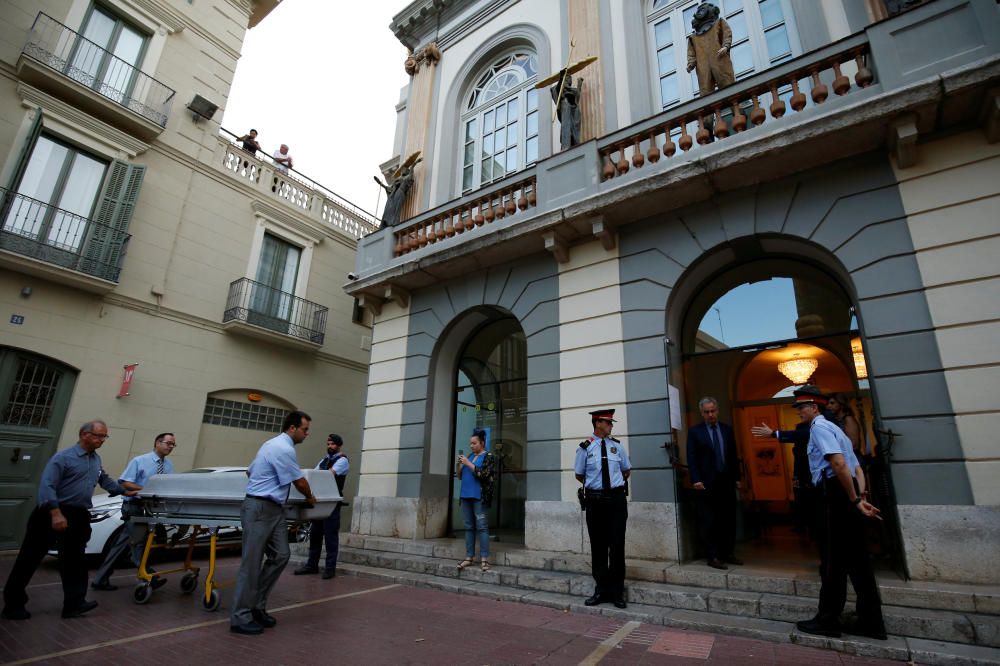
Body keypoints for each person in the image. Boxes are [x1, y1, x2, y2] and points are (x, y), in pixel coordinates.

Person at [2, 420, 134, 621]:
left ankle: (74, 604)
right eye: (99, 436)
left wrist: (127, 491)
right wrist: (56, 513)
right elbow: (47, 486)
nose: (102, 440)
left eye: (104, 436)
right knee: (30, 558)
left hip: (77, 516)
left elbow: (104, 480)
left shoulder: (94, 459)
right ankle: (13, 605)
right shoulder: (63, 458)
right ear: (84, 435)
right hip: (51, 512)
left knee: (75, 561)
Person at [791, 386, 887, 641]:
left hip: (833, 495)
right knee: (858, 561)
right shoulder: (838, 430)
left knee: (832, 561)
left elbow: (838, 463)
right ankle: (871, 621)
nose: (799, 411)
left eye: (802, 407)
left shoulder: (820, 428)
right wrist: (860, 497)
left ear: (814, 407)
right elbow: (857, 468)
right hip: (848, 493)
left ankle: (828, 620)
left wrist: (854, 499)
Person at [230, 411, 316, 636]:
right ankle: (240, 617)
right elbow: (299, 481)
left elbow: (250, 471)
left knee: (281, 555)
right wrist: (311, 498)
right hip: (260, 508)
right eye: (305, 430)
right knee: (251, 563)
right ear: (292, 429)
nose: (307, 434)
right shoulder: (283, 448)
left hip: (273, 509)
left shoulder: (270, 445)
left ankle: (256, 605)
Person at [91, 432, 177, 591]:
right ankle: (148, 574)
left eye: (173, 445)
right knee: (138, 541)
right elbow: (124, 482)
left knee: (122, 544)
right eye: (168, 443)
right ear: (157, 443)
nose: (171, 447)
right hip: (134, 507)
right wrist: (146, 490)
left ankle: (100, 579)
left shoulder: (169, 465)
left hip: (150, 509)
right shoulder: (140, 461)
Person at [575, 408, 631, 609]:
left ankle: (617, 591)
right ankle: (601, 589)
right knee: (598, 546)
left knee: (617, 546)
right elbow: (579, 475)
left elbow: (626, 470)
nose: (611, 426)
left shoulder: (617, 447)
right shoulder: (585, 448)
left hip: (616, 501)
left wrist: (611, 487)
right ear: (597, 423)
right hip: (595, 502)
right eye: (608, 422)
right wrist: (598, 486)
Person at [686, 397, 743, 569]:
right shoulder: (695, 432)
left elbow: (733, 455)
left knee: (728, 518)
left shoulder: (727, 430)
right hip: (706, 483)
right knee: (710, 521)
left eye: (713, 411)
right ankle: (713, 556)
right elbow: (692, 457)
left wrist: (738, 478)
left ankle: (728, 553)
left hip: (726, 481)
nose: (710, 414)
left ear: (717, 410)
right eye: (706, 412)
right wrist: (695, 479)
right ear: (702, 413)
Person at [294, 433, 349, 579]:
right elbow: (314, 473)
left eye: (332, 444)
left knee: (330, 536)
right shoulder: (324, 460)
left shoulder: (342, 460)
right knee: (315, 534)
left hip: (331, 502)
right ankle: (312, 565)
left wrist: (315, 475)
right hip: (320, 503)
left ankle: (330, 568)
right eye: (328, 444)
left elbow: (328, 475)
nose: (329, 447)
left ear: (338, 445)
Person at [454, 428, 496, 572]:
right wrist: (459, 465)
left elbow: (484, 475)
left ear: (482, 443)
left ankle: (484, 559)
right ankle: (469, 557)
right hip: (465, 496)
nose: (471, 446)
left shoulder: (489, 456)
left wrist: (468, 463)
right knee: (468, 527)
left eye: (474, 443)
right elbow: (459, 476)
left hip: (479, 497)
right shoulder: (470, 456)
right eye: (470, 443)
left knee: (482, 527)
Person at [686, 2, 735, 96]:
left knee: (727, 83)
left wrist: (726, 46)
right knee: (705, 90)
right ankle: (708, 109)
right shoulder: (694, 37)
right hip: (702, 65)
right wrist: (690, 64)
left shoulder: (719, 23)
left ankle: (737, 107)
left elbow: (726, 34)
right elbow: (691, 53)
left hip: (719, 58)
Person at [550, 72, 582, 151]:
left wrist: (579, 85)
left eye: (569, 79)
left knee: (574, 128)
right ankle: (566, 146)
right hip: (565, 111)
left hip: (573, 111)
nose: (569, 80)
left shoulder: (572, 90)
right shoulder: (558, 88)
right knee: (567, 128)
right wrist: (561, 79)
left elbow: (577, 98)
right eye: (567, 79)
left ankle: (574, 143)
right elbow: (556, 90)